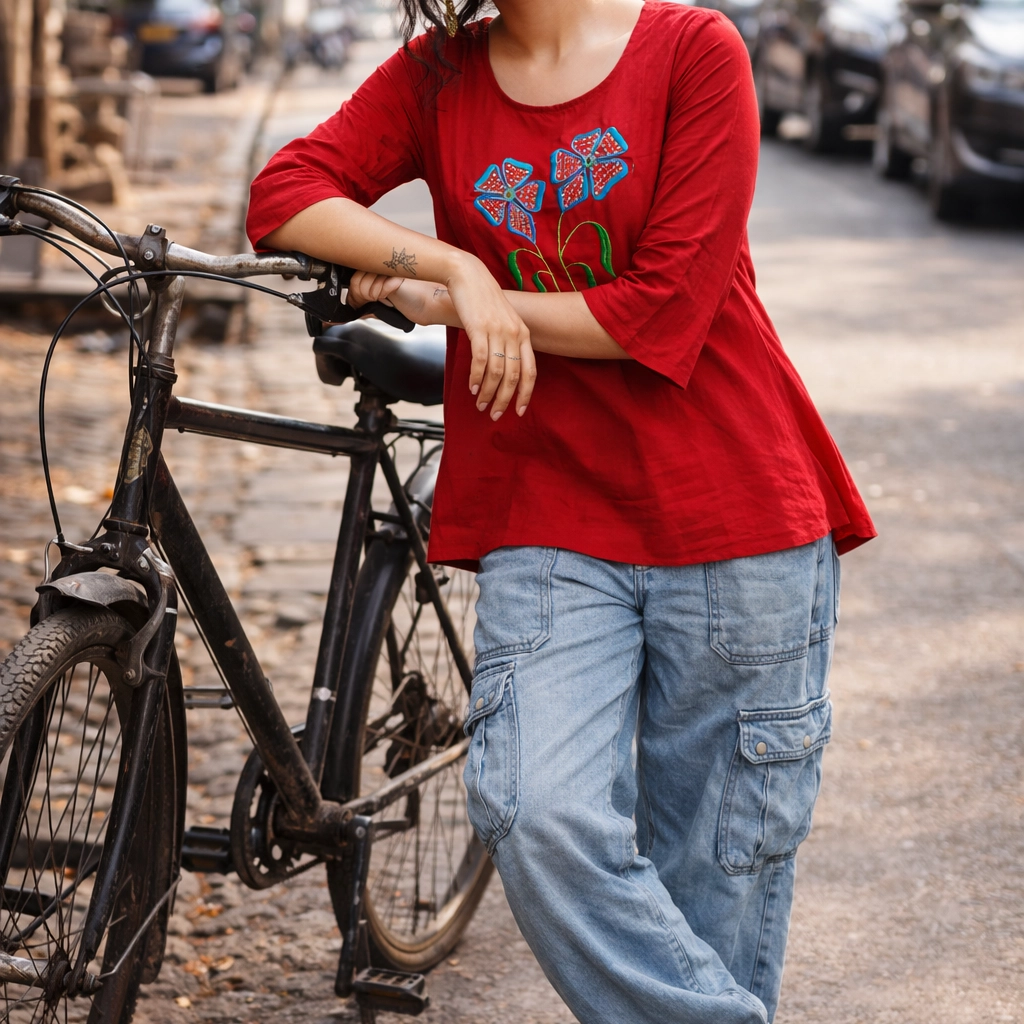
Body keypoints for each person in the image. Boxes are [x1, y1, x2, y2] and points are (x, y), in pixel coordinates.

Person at [246, 1, 876, 1020]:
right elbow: (282, 192)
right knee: (531, 808)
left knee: (710, 877)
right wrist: (449, 264)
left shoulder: (692, 49)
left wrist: (459, 304)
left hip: (736, 518)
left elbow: (662, 308)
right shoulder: (440, 73)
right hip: (546, 508)